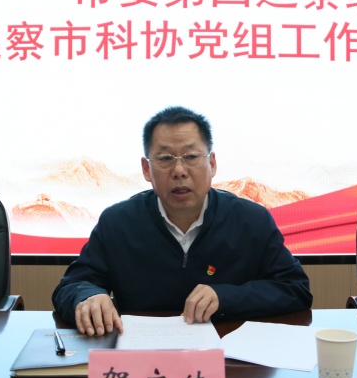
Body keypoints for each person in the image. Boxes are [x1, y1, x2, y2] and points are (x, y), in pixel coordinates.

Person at [52, 106, 313, 336]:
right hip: (141, 357)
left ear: (212, 163)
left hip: (227, 361)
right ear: (146, 169)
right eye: (165, 159)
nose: (179, 171)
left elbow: (295, 289)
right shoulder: (118, 222)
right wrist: (88, 296)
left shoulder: (251, 220)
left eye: (191, 157)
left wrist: (226, 297)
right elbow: (71, 285)